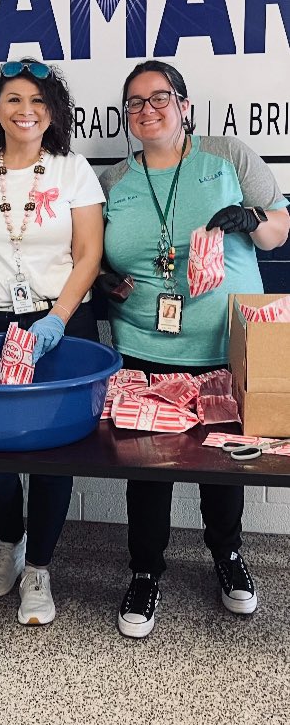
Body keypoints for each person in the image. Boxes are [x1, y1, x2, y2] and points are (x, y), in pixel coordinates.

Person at [101, 60, 290, 639]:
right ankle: (145, 570)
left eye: (160, 97)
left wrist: (251, 218)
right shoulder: (112, 180)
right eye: (135, 102)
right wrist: (108, 279)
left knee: (225, 462)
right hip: (143, 339)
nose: (147, 109)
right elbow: (94, 252)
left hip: (223, 340)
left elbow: (280, 227)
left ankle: (228, 557)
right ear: (125, 116)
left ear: (185, 106)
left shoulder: (228, 155)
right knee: (147, 469)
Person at [0, 59, 105, 625]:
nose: (25, 109)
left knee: (53, 450)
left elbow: (88, 255)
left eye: (37, 99)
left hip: (60, 324)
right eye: (12, 99)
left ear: (52, 110)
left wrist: (57, 319)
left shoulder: (73, 169)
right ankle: (8, 541)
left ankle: (40, 566)